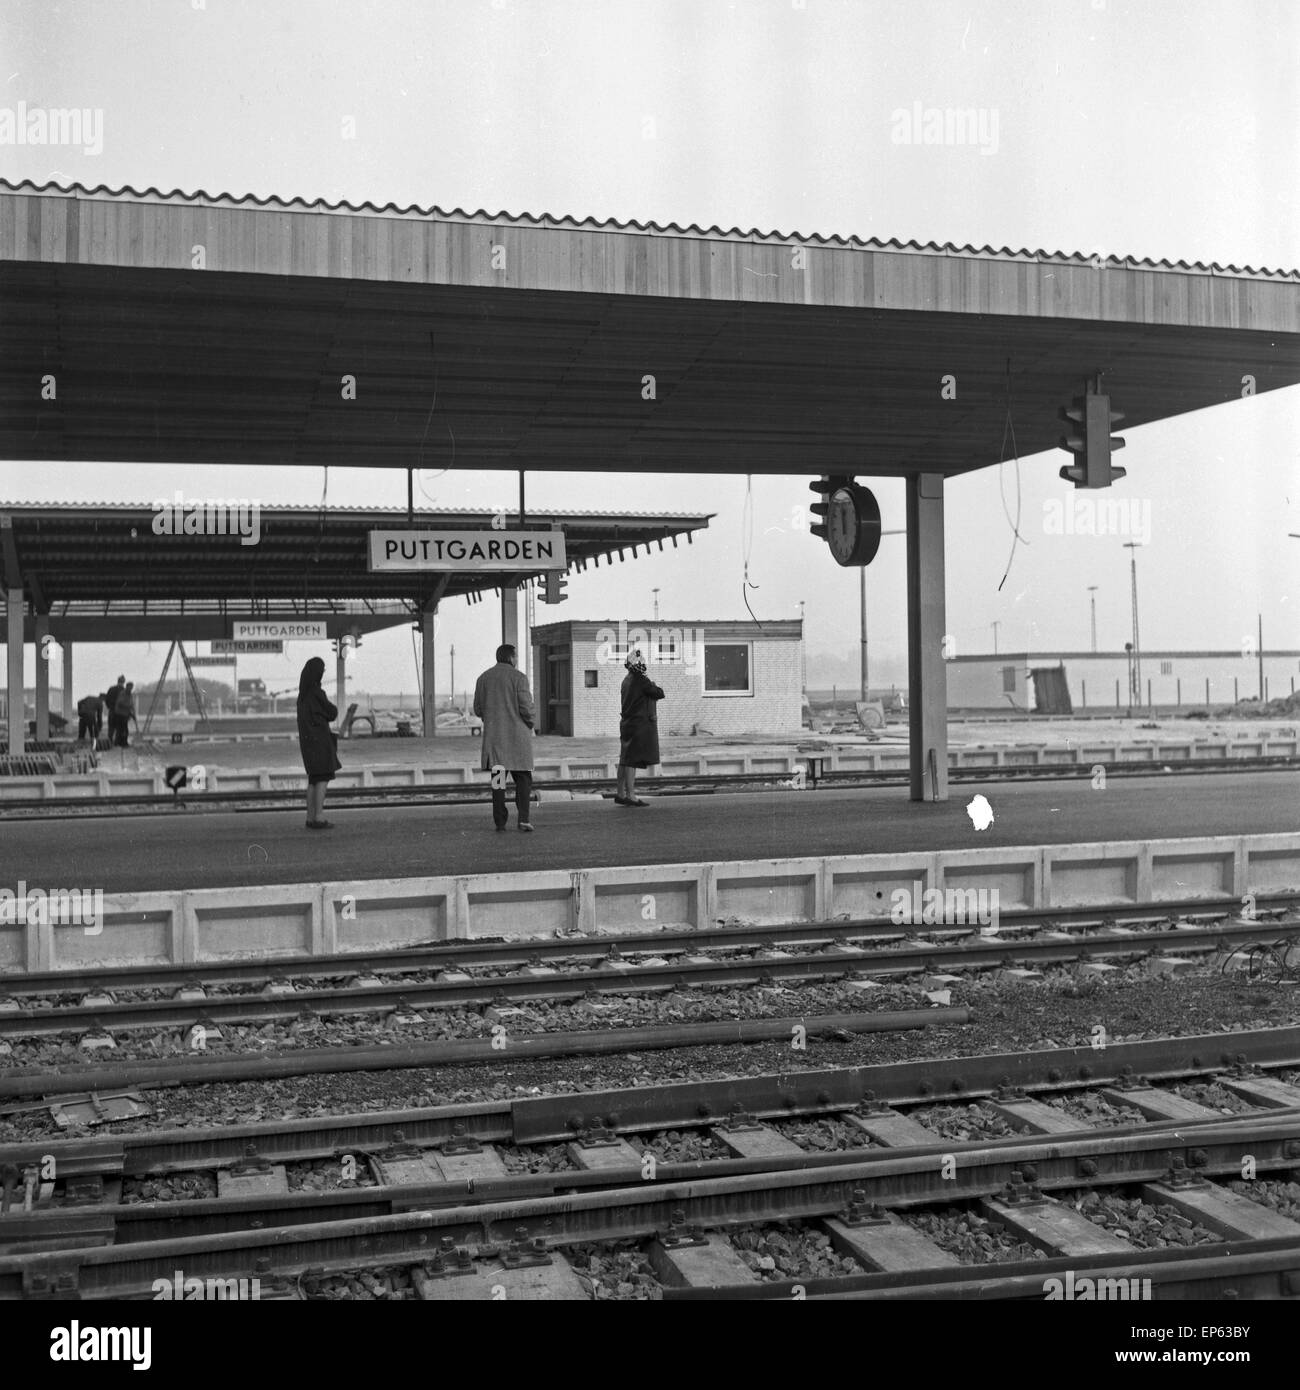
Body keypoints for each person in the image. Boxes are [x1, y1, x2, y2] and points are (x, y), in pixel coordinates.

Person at [473, 643, 536, 832]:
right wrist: (531, 723)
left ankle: (500, 821)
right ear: (510, 658)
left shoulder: (483, 678)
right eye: (515, 657)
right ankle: (523, 819)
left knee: (498, 784)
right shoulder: (519, 678)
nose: (517, 660)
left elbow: (477, 709)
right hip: (518, 743)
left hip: (496, 743)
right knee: (524, 780)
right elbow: (526, 708)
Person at [616, 650, 664, 806]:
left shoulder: (626, 680)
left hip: (626, 723)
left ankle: (620, 793)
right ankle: (631, 796)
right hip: (638, 724)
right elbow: (658, 693)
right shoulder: (641, 680)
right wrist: (654, 685)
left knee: (624, 759)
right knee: (632, 761)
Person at [296, 656, 340, 830]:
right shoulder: (317, 693)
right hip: (320, 742)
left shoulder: (302, 696)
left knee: (313, 779)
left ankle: (310, 817)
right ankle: (319, 817)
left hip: (307, 744)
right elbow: (332, 712)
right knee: (323, 778)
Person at [113, 681, 137, 748]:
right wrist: (129, 707)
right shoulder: (123, 693)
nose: (131, 689)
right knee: (123, 729)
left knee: (123, 729)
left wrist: (132, 714)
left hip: (125, 714)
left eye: (132, 688)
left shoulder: (130, 694)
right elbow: (120, 703)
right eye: (130, 687)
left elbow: (131, 705)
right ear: (127, 687)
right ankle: (122, 743)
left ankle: (120, 743)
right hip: (120, 714)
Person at [103, 676, 124, 746]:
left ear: (117, 681)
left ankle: (109, 742)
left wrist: (110, 707)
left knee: (111, 727)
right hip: (120, 713)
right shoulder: (124, 690)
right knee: (119, 728)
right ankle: (116, 743)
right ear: (123, 682)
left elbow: (106, 699)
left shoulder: (111, 689)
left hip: (112, 711)